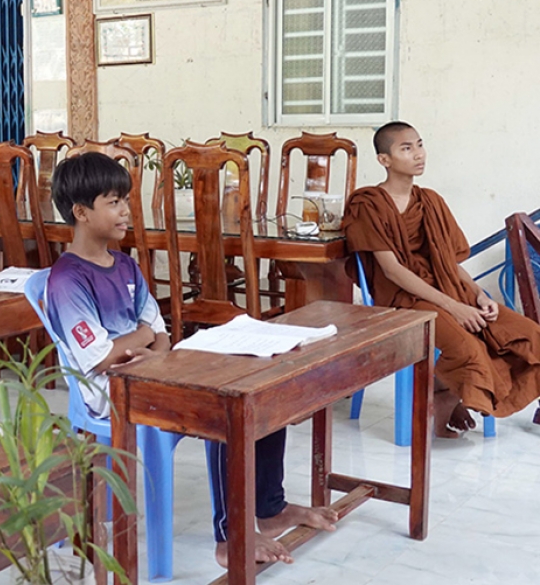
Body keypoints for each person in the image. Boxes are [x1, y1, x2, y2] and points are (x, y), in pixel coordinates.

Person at [45, 152, 337, 569]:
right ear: (81, 212)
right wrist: (146, 340)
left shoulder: (125, 265)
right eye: (113, 202)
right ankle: (229, 537)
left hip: (151, 371)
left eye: (125, 199)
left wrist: (150, 345)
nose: (126, 210)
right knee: (221, 408)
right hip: (111, 391)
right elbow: (102, 357)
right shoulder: (68, 279)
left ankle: (270, 509)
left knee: (258, 387)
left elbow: (161, 333)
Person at [342, 121, 540, 436]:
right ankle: (444, 403)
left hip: (448, 289)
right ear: (385, 160)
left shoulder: (430, 201)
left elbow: (450, 263)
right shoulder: (368, 204)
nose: (418, 154)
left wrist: (478, 295)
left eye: (420, 145)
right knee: (467, 347)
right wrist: (454, 307)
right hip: (402, 298)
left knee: (529, 334)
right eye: (406, 148)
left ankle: (455, 394)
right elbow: (392, 271)